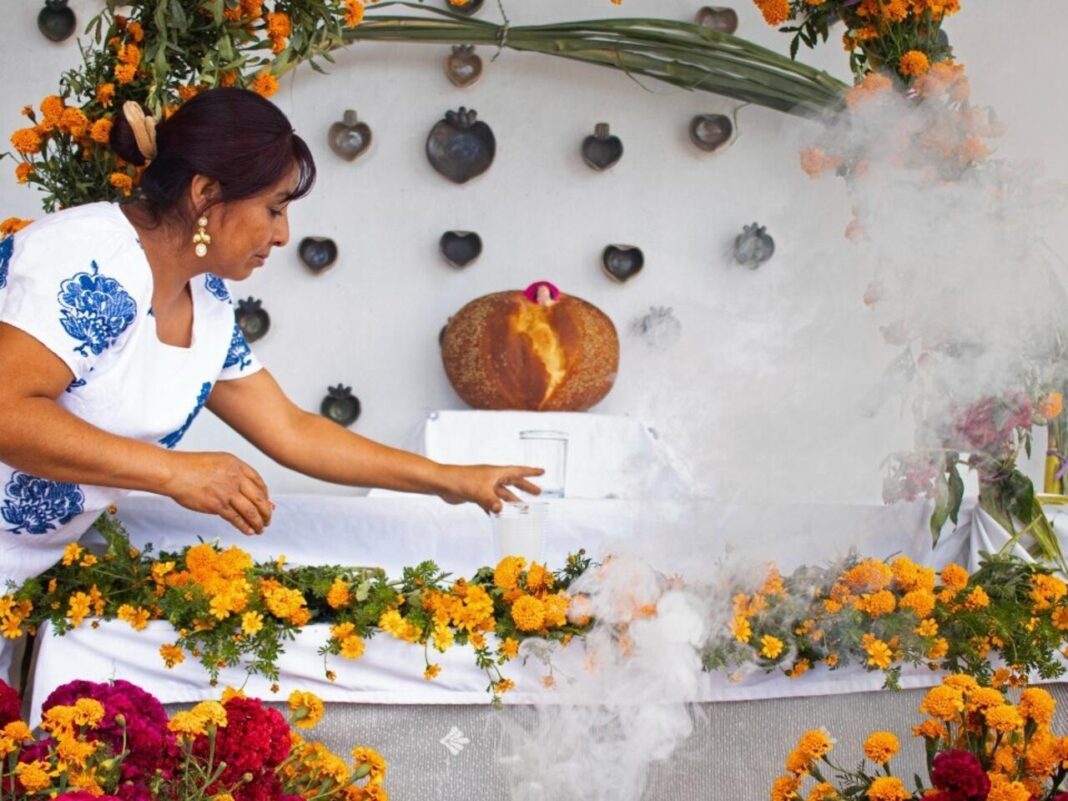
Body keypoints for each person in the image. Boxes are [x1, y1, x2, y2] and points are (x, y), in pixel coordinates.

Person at [0, 88, 541, 680]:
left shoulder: (204, 300)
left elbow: (291, 429)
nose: (283, 236)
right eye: (274, 208)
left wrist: (449, 480)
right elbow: (6, 410)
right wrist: (175, 472)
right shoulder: (88, 256)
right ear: (207, 194)